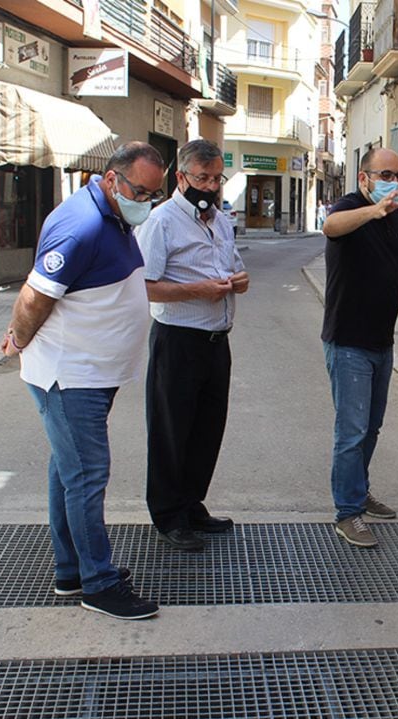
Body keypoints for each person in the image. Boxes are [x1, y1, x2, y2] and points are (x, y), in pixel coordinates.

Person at [0, 141, 165, 620]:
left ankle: (71, 570)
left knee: (67, 471)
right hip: (70, 378)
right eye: (141, 191)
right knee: (87, 477)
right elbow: (34, 296)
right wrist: (18, 339)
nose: (147, 202)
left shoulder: (113, 214)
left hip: (92, 374)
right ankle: (98, 582)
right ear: (112, 180)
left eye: (154, 194)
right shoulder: (81, 224)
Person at [136, 139, 249, 552]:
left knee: (206, 429)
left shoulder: (220, 221)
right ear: (181, 177)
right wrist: (196, 291)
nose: (210, 186)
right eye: (202, 177)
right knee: (171, 429)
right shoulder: (161, 221)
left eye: (217, 178)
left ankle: (191, 504)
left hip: (217, 342)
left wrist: (239, 281)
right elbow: (145, 287)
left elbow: (237, 270)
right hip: (178, 341)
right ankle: (168, 515)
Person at [321, 147, 398, 548]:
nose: (394, 182)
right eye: (385, 174)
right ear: (364, 179)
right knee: (352, 430)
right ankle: (348, 513)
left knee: (371, 427)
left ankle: (358, 491)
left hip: (381, 342)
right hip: (348, 341)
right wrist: (372, 211)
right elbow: (331, 226)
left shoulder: (396, 217)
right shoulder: (351, 208)